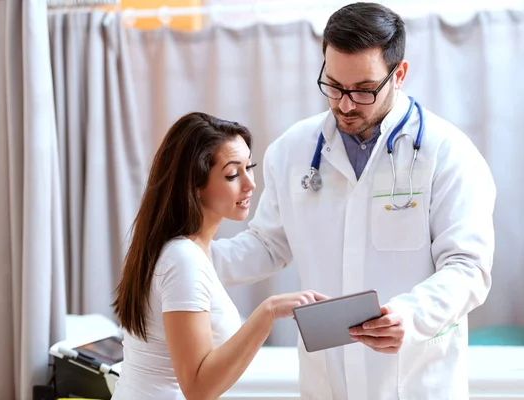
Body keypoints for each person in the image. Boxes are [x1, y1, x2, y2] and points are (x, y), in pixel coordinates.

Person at [210, 2, 496, 399]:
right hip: (326, 382)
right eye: (334, 86)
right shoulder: (292, 150)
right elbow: (268, 244)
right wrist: (189, 259)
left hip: (415, 381)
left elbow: (468, 267)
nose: (345, 104)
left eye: (363, 90)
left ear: (399, 75)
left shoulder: (447, 153)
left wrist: (410, 315)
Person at [110, 112, 325, 400]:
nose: (250, 184)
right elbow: (198, 388)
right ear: (194, 184)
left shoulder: (181, 251)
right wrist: (268, 311)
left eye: (250, 167)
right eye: (233, 174)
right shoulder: (182, 259)